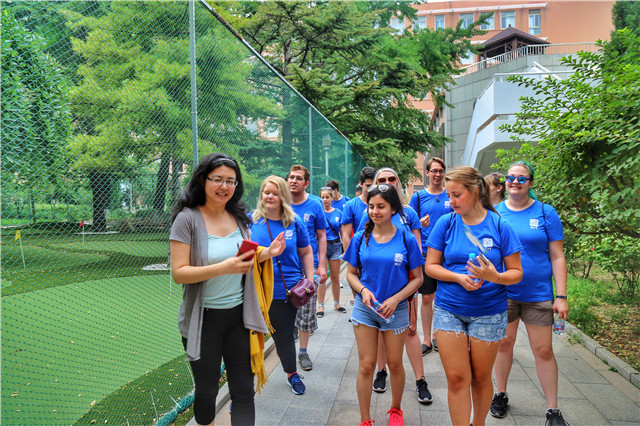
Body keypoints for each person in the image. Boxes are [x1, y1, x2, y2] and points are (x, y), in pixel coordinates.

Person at [170, 153, 286, 425]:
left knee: (244, 390)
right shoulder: (187, 219)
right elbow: (179, 273)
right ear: (203, 180)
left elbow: (244, 256)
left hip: (239, 317)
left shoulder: (239, 216)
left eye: (231, 181)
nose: (224, 186)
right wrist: (225, 267)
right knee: (207, 391)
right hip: (203, 320)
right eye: (218, 179)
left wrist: (267, 253)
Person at [425, 166, 523, 426]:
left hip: (489, 312)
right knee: (457, 378)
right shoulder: (446, 223)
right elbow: (431, 266)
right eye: (449, 196)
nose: (451, 201)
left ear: (475, 191)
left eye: (456, 195)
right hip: (449, 309)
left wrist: (495, 277)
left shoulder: (499, 225)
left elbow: (516, 273)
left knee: (480, 378)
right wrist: (458, 277)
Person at [491, 162, 570, 426]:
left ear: (531, 182)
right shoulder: (495, 213)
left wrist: (561, 296)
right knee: (504, 344)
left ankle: (553, 410)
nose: (515, 182)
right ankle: (500, 394)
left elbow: (557, 256)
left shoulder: (546, 212)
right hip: (504, 291)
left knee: (543, 350)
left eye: (521, 178)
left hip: (538, 293)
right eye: (510, 177)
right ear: (504, 182)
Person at [343, 183, 424, 426]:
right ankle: (365, 419)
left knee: (395, 363)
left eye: (381, 206)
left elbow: (418, 278)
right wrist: (363, 290)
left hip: (395, 309)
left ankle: (396, 410)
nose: (375, 211)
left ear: (393, 209)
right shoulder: (360, 237)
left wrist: (396, 298)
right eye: (371, 206)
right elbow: (350, 274)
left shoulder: (406, 238)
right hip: (365, 308)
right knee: (367, 365)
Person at [357, 167, 432, 406]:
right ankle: (381, 371)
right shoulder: (369, 214)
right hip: (374, 288)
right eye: (382, 179)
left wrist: (405, 294)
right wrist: (362, 286)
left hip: (404, 284)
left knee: (411, 330)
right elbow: (361, 248)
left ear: (398, 182)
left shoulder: (408, 213)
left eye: (392, 178)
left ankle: (420, 380)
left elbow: (416, 252)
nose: (387, 182)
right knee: (378, 333)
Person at [249, 175, 315, 396]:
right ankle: (243, 389)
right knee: (249, 339)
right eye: (266, 192)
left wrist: (310, 278)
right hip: (256, 291)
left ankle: (291, 374)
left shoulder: (294, 222)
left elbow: (306, 252)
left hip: (284, 291)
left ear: (283, 196)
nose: (269, 196)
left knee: (284, 336)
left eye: (275, 193)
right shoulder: (251, 221)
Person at [409, 157, 453, 356]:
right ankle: (426, 338)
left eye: (440, 171)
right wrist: (419, 223)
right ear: (427, 173)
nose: (437, 174)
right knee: (427, 297)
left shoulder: (450, 194)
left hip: (448, 253)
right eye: (434, 171)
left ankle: (438, 335)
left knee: (443, 296)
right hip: (426, 253)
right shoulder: (418, 197)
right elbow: (411, 225)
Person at [287, 165, 328, 372]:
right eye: (291, 177)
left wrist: (322, 265)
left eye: (298, 178)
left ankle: (303, 352)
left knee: (306, 310)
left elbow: (321, 235)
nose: (293, 180)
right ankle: (288, 345)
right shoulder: (281, 202)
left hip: (308, 267)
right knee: (286, 309)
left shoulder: (315, 204)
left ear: (306, 183)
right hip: (285, 265)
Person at [317, 186, 346, 316]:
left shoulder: (338, 212)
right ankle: (321, 306)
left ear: (332, 198)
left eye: (327, 197)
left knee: (335, 276)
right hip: (322, 247)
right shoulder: (318, 212)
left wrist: (345, 249)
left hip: (335, 246)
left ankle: (337, 303)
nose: (325, 199)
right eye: (323, 197)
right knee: (322, 277)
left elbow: (343, 232)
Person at [341, 166, 376, 251]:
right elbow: (346, 235)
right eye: (368, 186)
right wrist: (350, 256)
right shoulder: (351, 205)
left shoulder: (384, 204)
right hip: (360, 250)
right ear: (361, 184)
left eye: (374, 186)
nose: (371, 189)